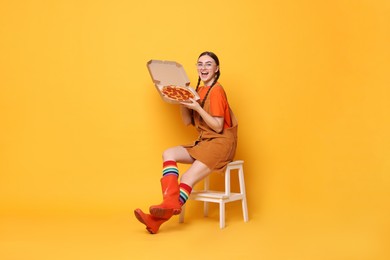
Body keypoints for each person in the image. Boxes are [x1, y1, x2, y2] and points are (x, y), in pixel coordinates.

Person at [134, 51, 238, 234]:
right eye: (200, 64)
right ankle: (163, 211)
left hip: (221, 143)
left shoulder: (217, 91)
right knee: (169, 153)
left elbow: (218, 126)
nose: (203, 68)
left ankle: (159, 215)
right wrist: (182, 102)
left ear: (216, 69)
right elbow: (187, 122)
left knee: (186, 178)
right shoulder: (198, 90)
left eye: (208, 64)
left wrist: (196, 106)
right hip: (205, 141)